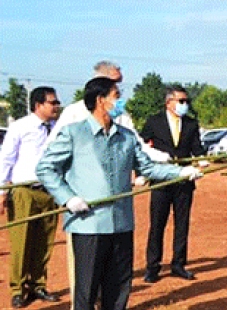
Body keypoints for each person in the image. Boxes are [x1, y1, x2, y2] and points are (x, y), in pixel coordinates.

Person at [36, 77, 202, 310]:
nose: (121, 101)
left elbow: (147, 167)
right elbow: (45, 168)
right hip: (88, 225)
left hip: (121, 223)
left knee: (118, 289)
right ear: (100, 100)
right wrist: (68, 197)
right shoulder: (74, 133)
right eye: (116, 96)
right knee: (87, 290)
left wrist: (181, 172)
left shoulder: (126, 136)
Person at [0, 87, 63, 307]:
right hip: (24, 191)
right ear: (38, 105)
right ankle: (17, 289)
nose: (56, 106)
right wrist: (2, 192)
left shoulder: (57, 128)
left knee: (44, 242)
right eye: (52, 102)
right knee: (21, 243)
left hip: (50, 192)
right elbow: (6, 159)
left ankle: (38, 285)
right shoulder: (20, 127)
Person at [141, 86, 205, 282]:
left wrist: (202, 160)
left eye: (187, 101)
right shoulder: (154, 122)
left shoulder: (191, 124)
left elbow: (197, 147)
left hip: (184, 181)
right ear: (169, 102)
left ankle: (178, 264)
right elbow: (141, 148)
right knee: (157, 225)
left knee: (182, 224)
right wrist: (141, 173)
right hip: (161, 180)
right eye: (181, 101)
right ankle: (153, 267)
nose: (185, 105)